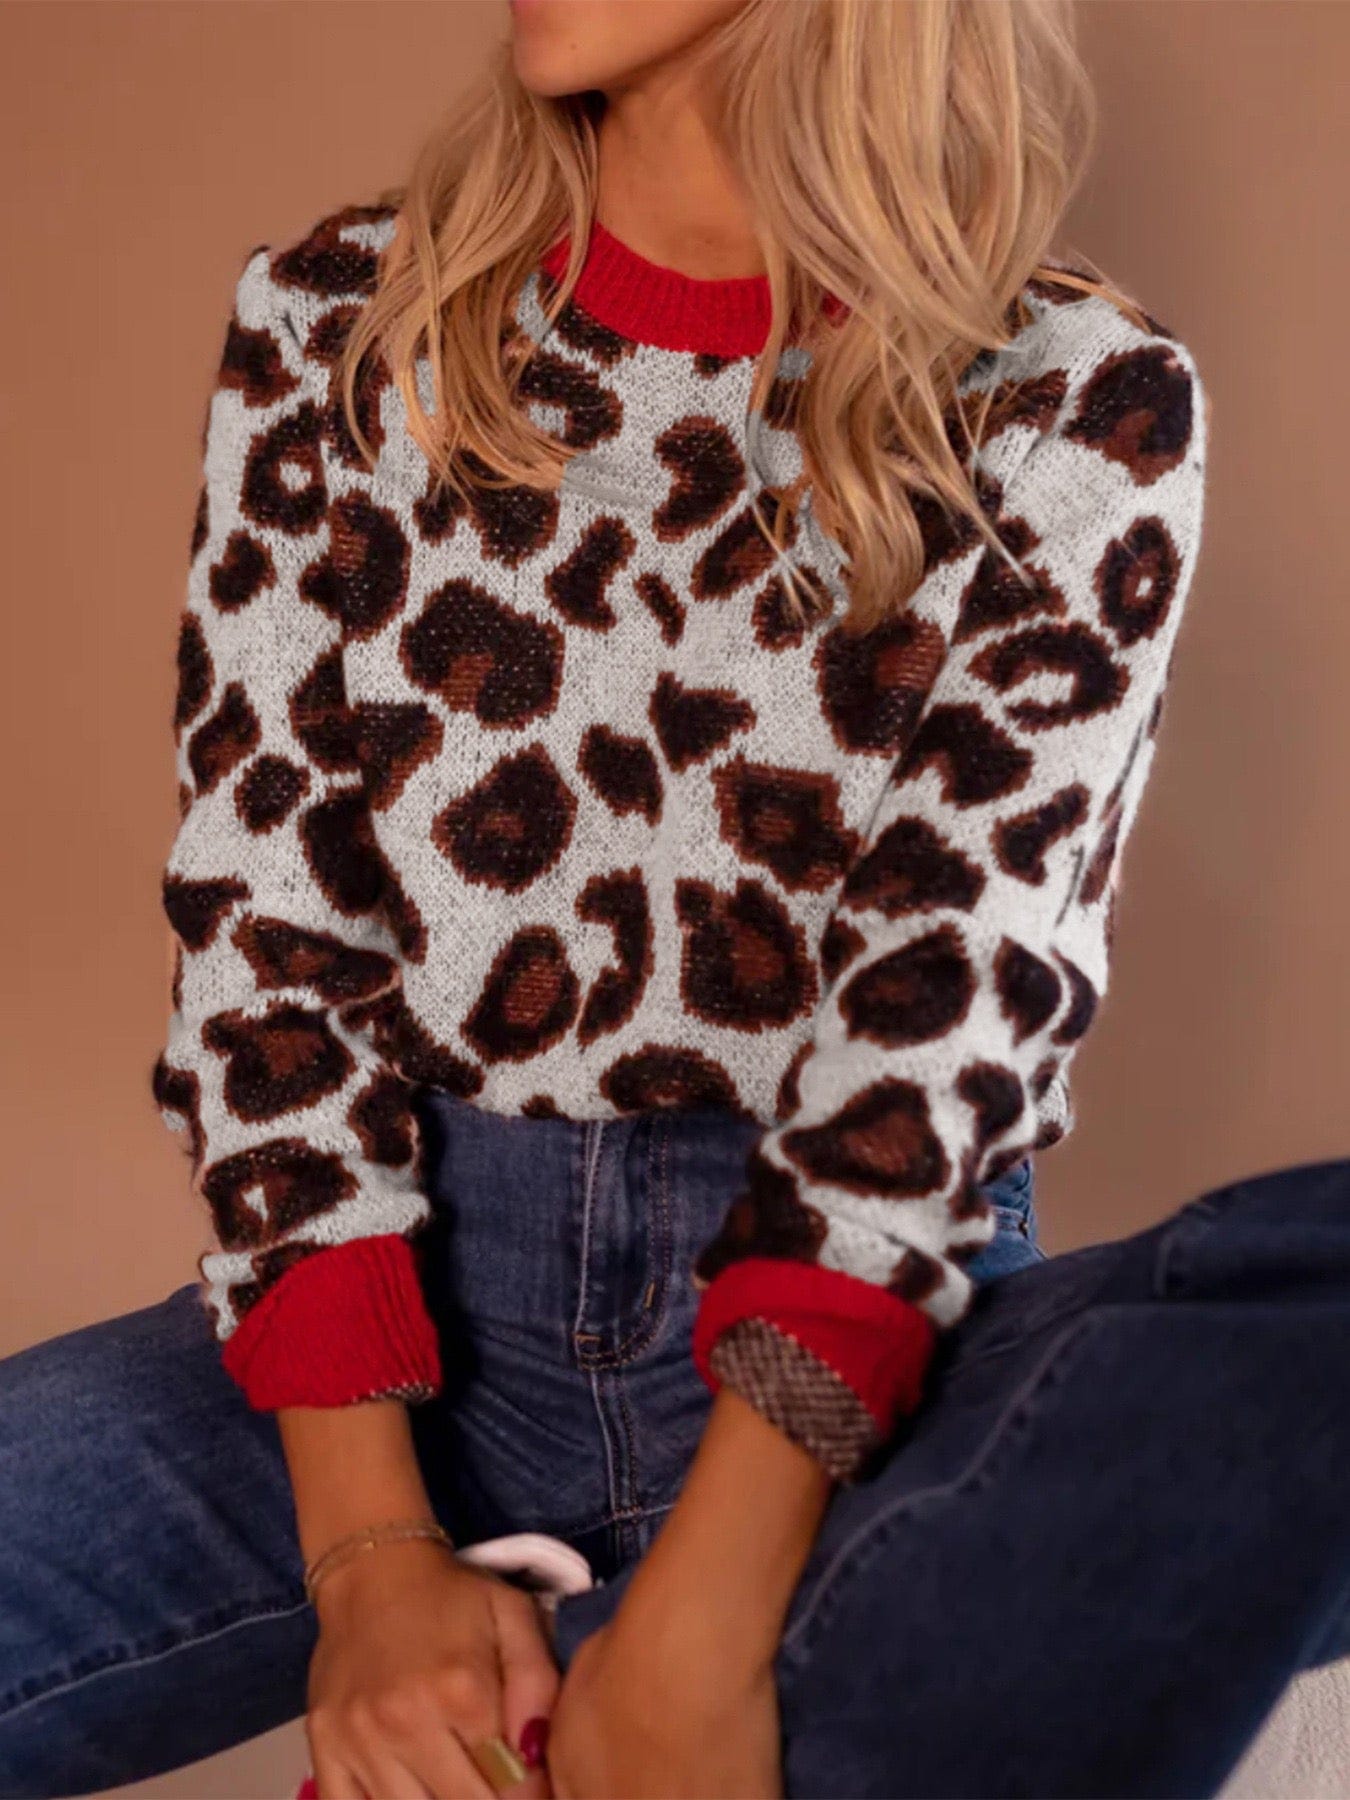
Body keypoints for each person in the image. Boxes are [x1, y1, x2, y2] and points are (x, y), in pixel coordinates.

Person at [2, 1, 1348, 1796]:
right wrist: (372, 1560)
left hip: (855, 1348)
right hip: (404, 1301)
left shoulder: (1073, 393)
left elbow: (942, 1018)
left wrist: (696, 1638)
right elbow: (264, 947)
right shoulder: (340, 321)